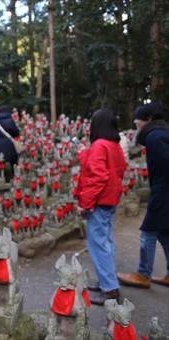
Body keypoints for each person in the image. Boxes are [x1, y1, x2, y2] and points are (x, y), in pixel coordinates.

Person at [75, 108, 127, 305]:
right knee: (106, 242)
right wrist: (84, 155)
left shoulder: (99, 145)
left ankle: (110, 288)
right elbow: (117, 169)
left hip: (98, 201)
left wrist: (85, 204)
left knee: (98, 245)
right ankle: (108, 280)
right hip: (110, 199)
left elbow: (97, 177)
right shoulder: (113, 145)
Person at [117, 103, 169, 288]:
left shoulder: (155, 137)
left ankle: (143, 274)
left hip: (163, 193)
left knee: (147, 232)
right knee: (164, 234)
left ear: (148, 119)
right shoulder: (161, 134)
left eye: (138, 120)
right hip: (163, 191)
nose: (135, 123)